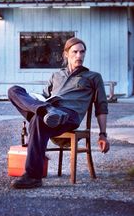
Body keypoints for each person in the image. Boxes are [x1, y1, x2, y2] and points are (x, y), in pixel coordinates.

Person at [8, 37, 110, 189]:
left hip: (69, 116)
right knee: (14, 90)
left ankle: (33, 176)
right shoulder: (56, 76)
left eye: (82, 52)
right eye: (75, 52)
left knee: (37, 120)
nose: (79, 56)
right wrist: (40, 103)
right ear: (66, 54)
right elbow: (43, 96)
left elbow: (101, 106)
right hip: (49, 112)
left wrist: (103, 134)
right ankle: (45, 110)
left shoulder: (93, 77)